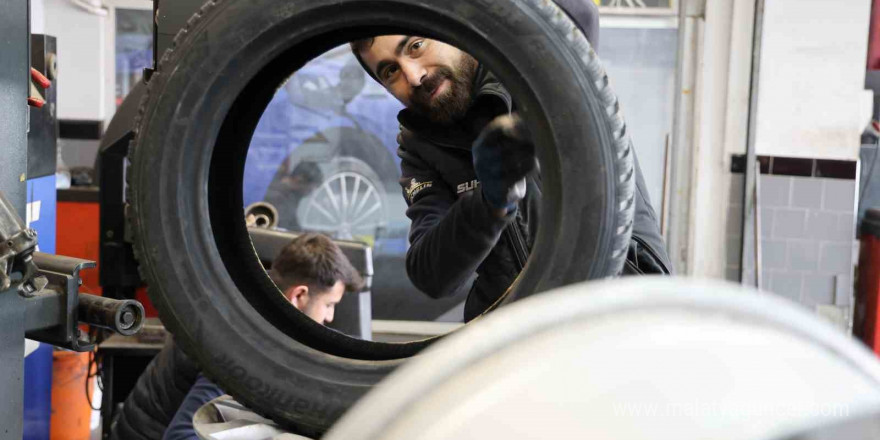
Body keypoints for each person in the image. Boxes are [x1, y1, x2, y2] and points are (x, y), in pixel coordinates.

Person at [350, 0, 671, 322]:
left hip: (619, 312)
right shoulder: (420, 145)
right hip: (517, 336)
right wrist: (490, 202)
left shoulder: (537, 70)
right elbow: (432, 275)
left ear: (453, 27)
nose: (414, 76)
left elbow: (579, 10)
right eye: (391, 71)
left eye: (417, 46)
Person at [110, 233, 363, 440]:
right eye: (329, 305)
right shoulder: (243, 345)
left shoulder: (253, 311)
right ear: (299, 295)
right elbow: (182, 435)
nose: (329, 317)